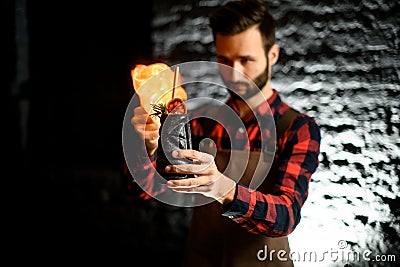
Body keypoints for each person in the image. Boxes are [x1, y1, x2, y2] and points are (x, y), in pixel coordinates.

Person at [122, 0, 321, 266]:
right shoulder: (204, 123)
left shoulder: (297, 129)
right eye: (225, 60)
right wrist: (146, 147)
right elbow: (142, 192)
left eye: (246, 60)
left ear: (272, 55)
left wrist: (223, 188)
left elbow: (286, 216)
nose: (235, 73)